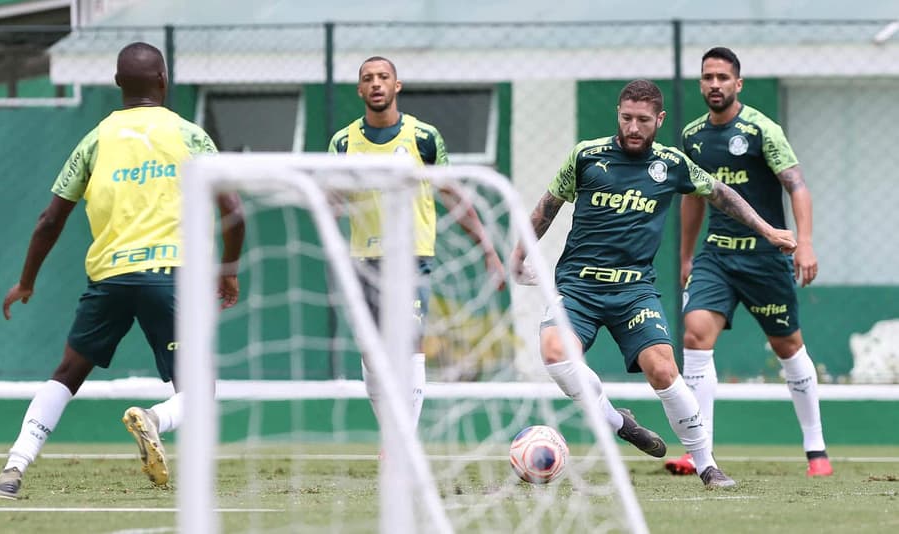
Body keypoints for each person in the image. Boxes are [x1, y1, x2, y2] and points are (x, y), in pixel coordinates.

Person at [0, 42, 246, 499]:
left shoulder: (94, 140)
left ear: (118, 83)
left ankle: (13, 469)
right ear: (164, 79)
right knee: (198, 388)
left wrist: (26, 281)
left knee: (67, 373)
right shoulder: (190, 136)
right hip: (169, 276)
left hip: (109, 278)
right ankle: (155, 419)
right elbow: (234, 212)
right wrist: (228, 268)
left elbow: (49, 220)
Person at [511, 79, 798, 488]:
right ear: (618, 114)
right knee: (556, 354)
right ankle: (618, 422)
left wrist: (768, 230)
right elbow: (547, 208)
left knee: (663, 369)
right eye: (627, 118)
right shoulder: (586, 156)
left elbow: (721, 193)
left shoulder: (672, 163)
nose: (633, 127)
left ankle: (706, 465)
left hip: (634, 292)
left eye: (643, 120)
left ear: (659, 119)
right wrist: (517, 256)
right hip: (578, 288)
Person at [664, 47, 832, 478]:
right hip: (717, 255)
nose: (714, 84)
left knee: (787, 346)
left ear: (738, 84)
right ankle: (700, 452)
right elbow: (693, 198)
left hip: (765, 259)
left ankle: (816, 449)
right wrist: (686, 255)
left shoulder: (761, 130)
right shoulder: (692, 136)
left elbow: (797, 185)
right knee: (695, 335)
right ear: (700, 84)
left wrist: (805, 243)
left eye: (722, 77)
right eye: (707, 77)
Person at [328, 56, 506, 434]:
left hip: (412, 256)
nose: (376, 83)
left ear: (397, 86)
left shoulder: (423, 138)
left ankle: (402, 442)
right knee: (372, 353)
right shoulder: (343, 142)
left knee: (410, 343)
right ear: (360, 90)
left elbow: (452, 195)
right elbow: (332, 202)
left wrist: (488, 249)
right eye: (368, 78)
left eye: (383, 77)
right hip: (365, 258)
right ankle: (391, 434)